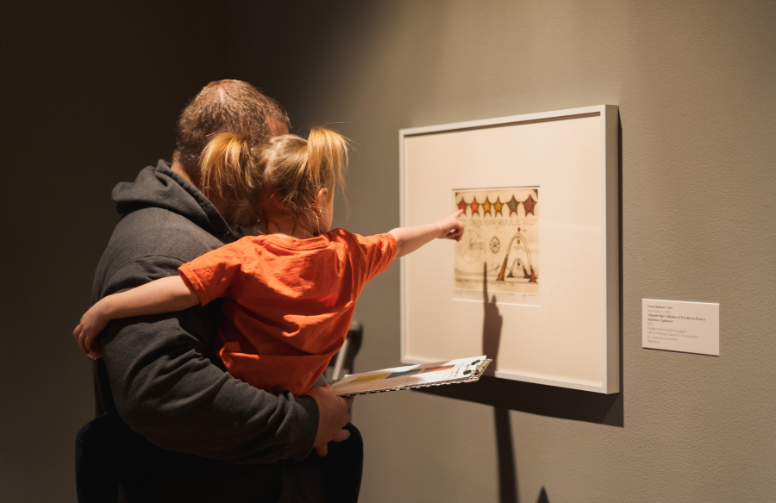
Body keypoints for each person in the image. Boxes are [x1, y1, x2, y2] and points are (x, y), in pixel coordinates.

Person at [82, 80, 361, 503]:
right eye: (272, 162)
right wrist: (304, 422)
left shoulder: (211, 236)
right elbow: (162, 392)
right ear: (228, 160)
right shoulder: (158, 247)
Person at [74, 127, 465, 401]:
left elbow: (178, 291)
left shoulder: (244, 256)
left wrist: (106, 307)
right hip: (305, 394)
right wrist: (439, 227)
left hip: (244, 395)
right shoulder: (350, 253)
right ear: (319, 198)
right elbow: (397, 241)